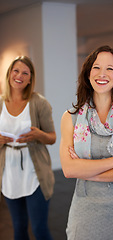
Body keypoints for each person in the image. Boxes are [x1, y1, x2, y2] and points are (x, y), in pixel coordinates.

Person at [60, 45, 113, 240]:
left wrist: (88, 172)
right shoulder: (70, 118)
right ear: (87, 74)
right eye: (96, 67)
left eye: (110, 68)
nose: (102, 74)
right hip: (85, 215)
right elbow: (69, 169)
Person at [0, 56, 56, 240]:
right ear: (9, 74)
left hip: (35, 174)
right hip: (9, 174)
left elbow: (52, 138)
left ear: (31, 79)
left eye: (25, 73)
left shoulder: (39, 102)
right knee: (18, 227)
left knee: (39, 229)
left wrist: (39, 135)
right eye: (16, 71)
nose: (20, 76)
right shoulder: (0, 103)